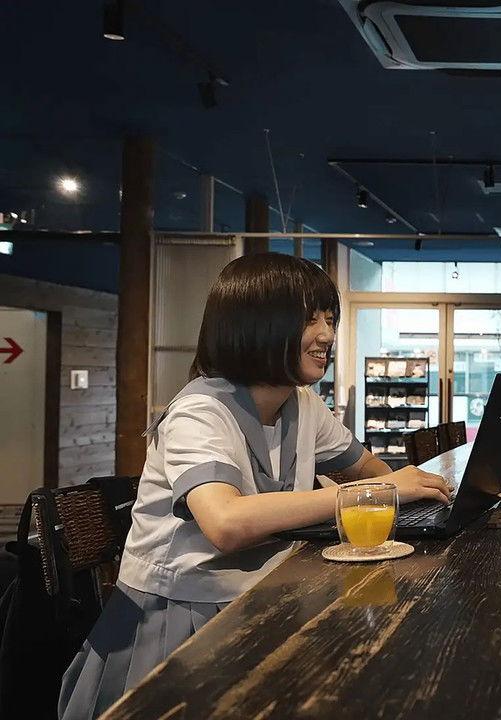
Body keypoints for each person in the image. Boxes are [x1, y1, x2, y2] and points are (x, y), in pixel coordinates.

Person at [59, 254, 453, 719]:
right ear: (255, 323)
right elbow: (225, 524)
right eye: (309, 319)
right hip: (175, 620)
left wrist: (409, 485)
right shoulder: (199, 412)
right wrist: (381, 492)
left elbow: (366, 470)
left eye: (330, 318)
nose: (327, 334)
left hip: (260, 593)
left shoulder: (302, 404)